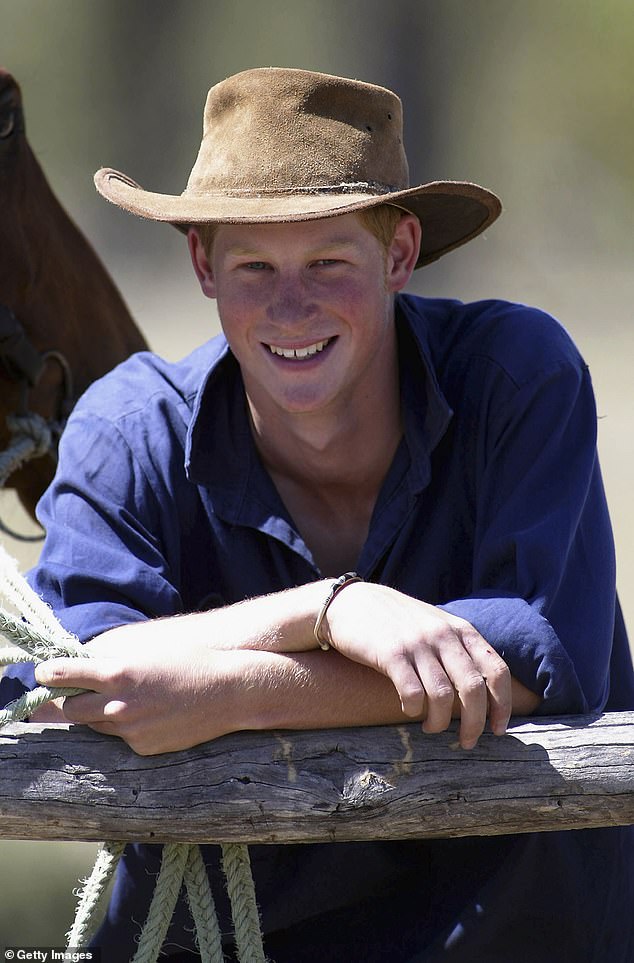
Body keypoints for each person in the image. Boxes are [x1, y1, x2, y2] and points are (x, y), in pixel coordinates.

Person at [2, 67, 632, 962]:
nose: (289, 306)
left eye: (329, 261)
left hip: (511, 930)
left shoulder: (519, 375)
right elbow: (74, 675)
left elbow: (534, 660)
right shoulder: (127, 427)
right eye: (254, 264)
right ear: (202, 265)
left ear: (401, 253)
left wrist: (226, 691)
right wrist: (332, 609)